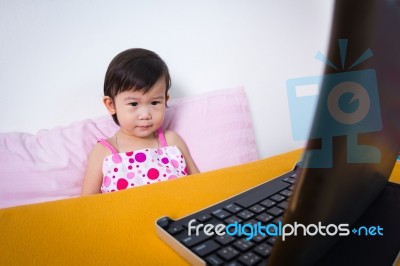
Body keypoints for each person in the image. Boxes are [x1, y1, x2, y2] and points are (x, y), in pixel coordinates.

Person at [81, 48, 199, 195]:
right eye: (134, 104)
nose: (145, 115)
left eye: (155, 102)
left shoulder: (171, 141)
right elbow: (88, 203)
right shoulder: (105, 151)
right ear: (111, 105)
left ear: (165, 100)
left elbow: (198, 184)